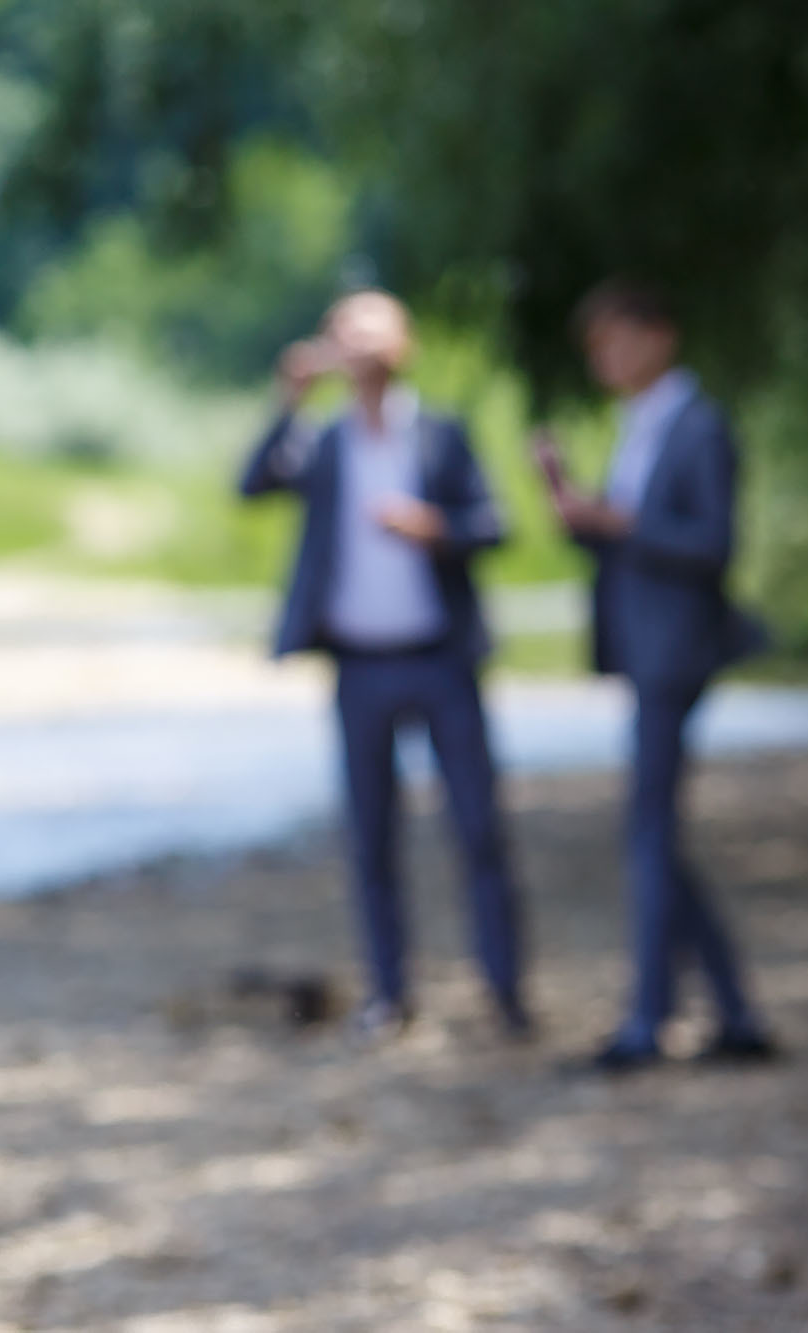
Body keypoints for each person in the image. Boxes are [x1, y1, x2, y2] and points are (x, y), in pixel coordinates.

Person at [239, 289, 528, 1044]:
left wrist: (436, 528)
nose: (362, 341)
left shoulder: (439, 434)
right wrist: (289, 399)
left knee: (478, 829)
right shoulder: (325, 441)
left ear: (406, 343)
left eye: (375, 326)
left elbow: (495, 521)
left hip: (442, 659)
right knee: (371, 838)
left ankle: (506, 992)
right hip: (359, 665)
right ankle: (389, 995)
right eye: (347, 329)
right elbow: (254, 482)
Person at [544, 276, 777, 1074]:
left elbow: (712, 544)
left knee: (648, 832)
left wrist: (619, 520)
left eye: (617, 340)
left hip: (679, 649)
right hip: (643, 647)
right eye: (598, 346)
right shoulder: (638, 425)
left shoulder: (698, 426)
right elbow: (632, 543)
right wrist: (581, 513)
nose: (606, 358)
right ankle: (734, 1011)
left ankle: (650, 1018)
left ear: (658, 335)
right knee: (654, 835)